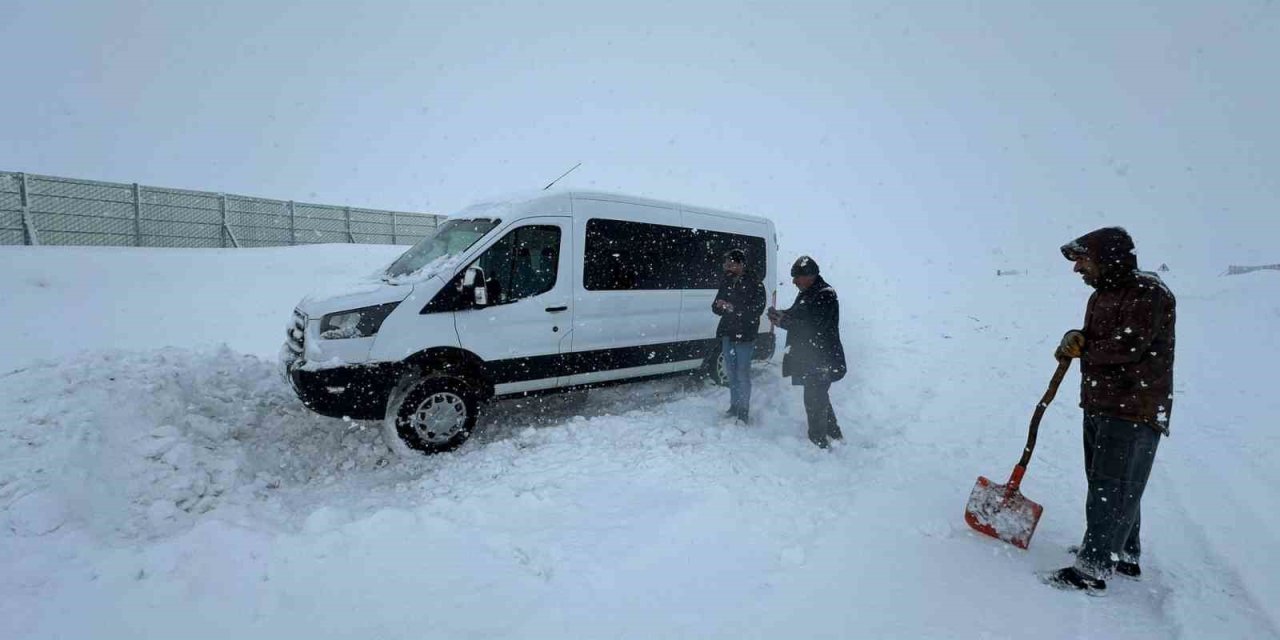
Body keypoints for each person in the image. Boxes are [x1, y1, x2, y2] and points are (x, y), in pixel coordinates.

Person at [1043, 227, 1176, 594]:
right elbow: (1099, 339)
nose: (1078, 269)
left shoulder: (1147, 293)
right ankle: (1123, 553)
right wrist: (1078, 337)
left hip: (1134, 407)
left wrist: (1084, 350)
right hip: (1105, 402)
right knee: (1111, 483)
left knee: (1112, 486)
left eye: (1083, 260)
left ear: (1107, 258)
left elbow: (1127, 346)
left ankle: (1093, 567)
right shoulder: (1104, 294)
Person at [767, 256, 846, 448]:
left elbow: (813, 326)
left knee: (814, 399)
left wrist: (783, 322)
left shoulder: (825, 294)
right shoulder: (808, 292)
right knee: (819, 396)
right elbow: (798, 314)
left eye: (797, 277)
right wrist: (781, 314)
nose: (794, 282)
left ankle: (818, 443)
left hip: (823, 358)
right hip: (812, 357)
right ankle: (834, 434)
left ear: (810, 275)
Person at [711, 248, 766, 423]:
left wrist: (732, 307)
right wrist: (719, 306)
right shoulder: (726, 281)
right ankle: (734, 406)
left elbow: (757, 310)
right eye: (725, 263)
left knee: (742, 372)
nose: (727, 267)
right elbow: (715, 306)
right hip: (727, 332)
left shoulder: (755, 283)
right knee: (731, 372)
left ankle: (744, 410)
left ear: (741, 264)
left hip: (745, 334)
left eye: (731, 263)